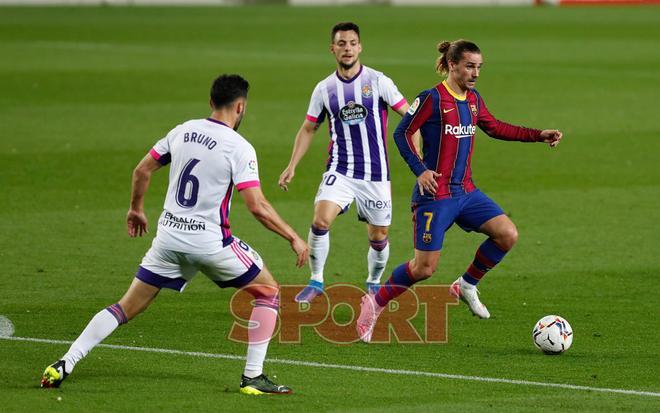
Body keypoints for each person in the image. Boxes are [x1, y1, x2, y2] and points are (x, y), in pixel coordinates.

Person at [40, 74, 309, 394]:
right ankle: (252, 377)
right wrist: (293, 236)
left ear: (211, 102)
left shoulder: (182, 131)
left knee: (125, 307)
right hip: (210, 244)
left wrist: (136, 209)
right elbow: (257, 206)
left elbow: (142, 170)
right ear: (240, 107)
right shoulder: (239, 147)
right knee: (268, 292)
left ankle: (65, 362)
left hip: (168, 240)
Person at [357, 40, 563, 342]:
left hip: (466, 192)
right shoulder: (432, 98)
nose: (475, 73)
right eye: (470, 66)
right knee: (424, 269)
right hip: (435, 197)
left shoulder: (474, 100)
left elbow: (495, 127)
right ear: (452, 65)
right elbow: (402, 132)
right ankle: (373, 304)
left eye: (479, 67)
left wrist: (538, 135)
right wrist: (421, 170)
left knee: (507, 234)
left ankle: (466, 285)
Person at [278, 22, 416, 303]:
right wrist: (292, 165)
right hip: (340, 169)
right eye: (341, 44)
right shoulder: (324, 89)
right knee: (320, 220)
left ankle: (374, 283)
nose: (348, 49)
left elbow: (410, 117)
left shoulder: (378, 81)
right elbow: (308, 128)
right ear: (333, 49)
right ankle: (316, 280)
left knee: (379, 236)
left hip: (376, 173)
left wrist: (420, 156)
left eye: (352, 43)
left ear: (360, 47)